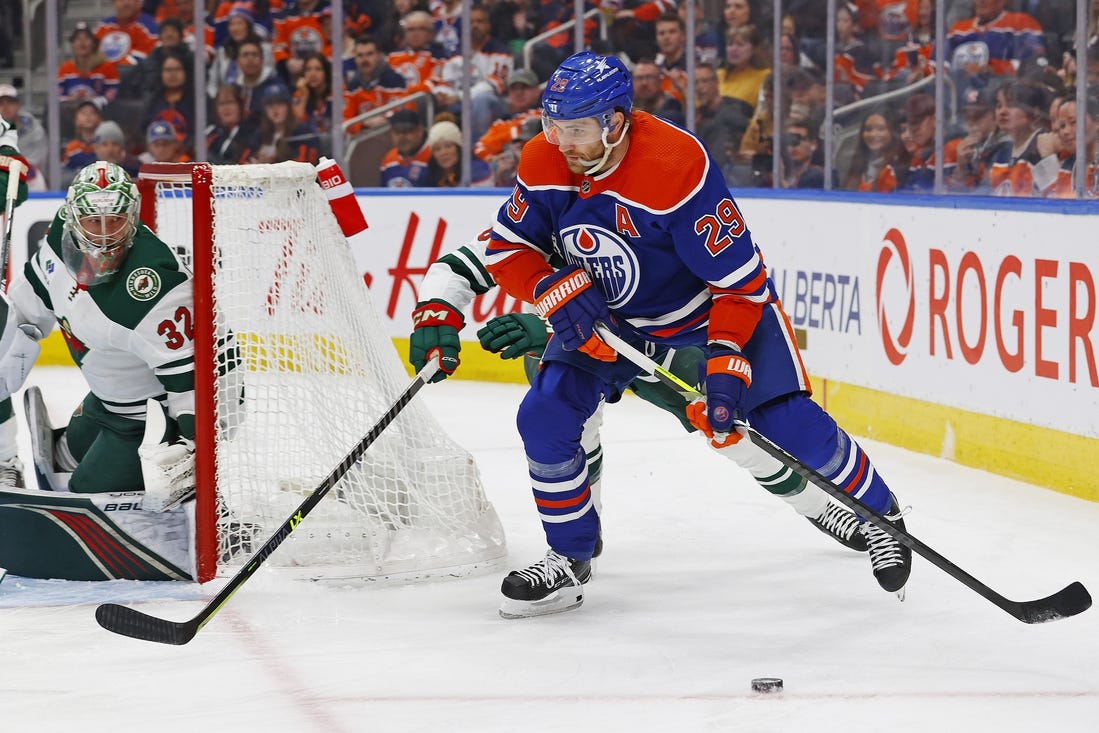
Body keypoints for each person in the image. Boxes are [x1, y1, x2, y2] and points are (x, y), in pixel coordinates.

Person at [481, 51, 912, 619]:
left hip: (709, 313)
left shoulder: (675, 164)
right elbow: (506, 250)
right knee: (545, 415)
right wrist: (552, 287)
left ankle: (882, 516)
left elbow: (740, 286)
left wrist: (726, 363)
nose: (561, 142)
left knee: (785, 422)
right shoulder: (546, 157)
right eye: (551, 125)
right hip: (610, 317)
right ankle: (570, 558)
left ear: (615, 122)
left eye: (577, 129)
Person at [843, 106, 908, 192]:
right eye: (868, 129)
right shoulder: (858, 164)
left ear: (892, 132)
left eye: (880, 129)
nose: (873, 134)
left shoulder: (898, 166)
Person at [425, 118, 491, 187]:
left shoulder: (477, 170)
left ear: (458, 148)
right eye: (437, 149)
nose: (443, 152)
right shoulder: (431, 174)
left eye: (448, 146)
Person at [379, 108, 431, 187]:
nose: (401, 137)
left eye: (407, 131)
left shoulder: (432, 156)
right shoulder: (389, 159)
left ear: (420, 131)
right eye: (397, 132)